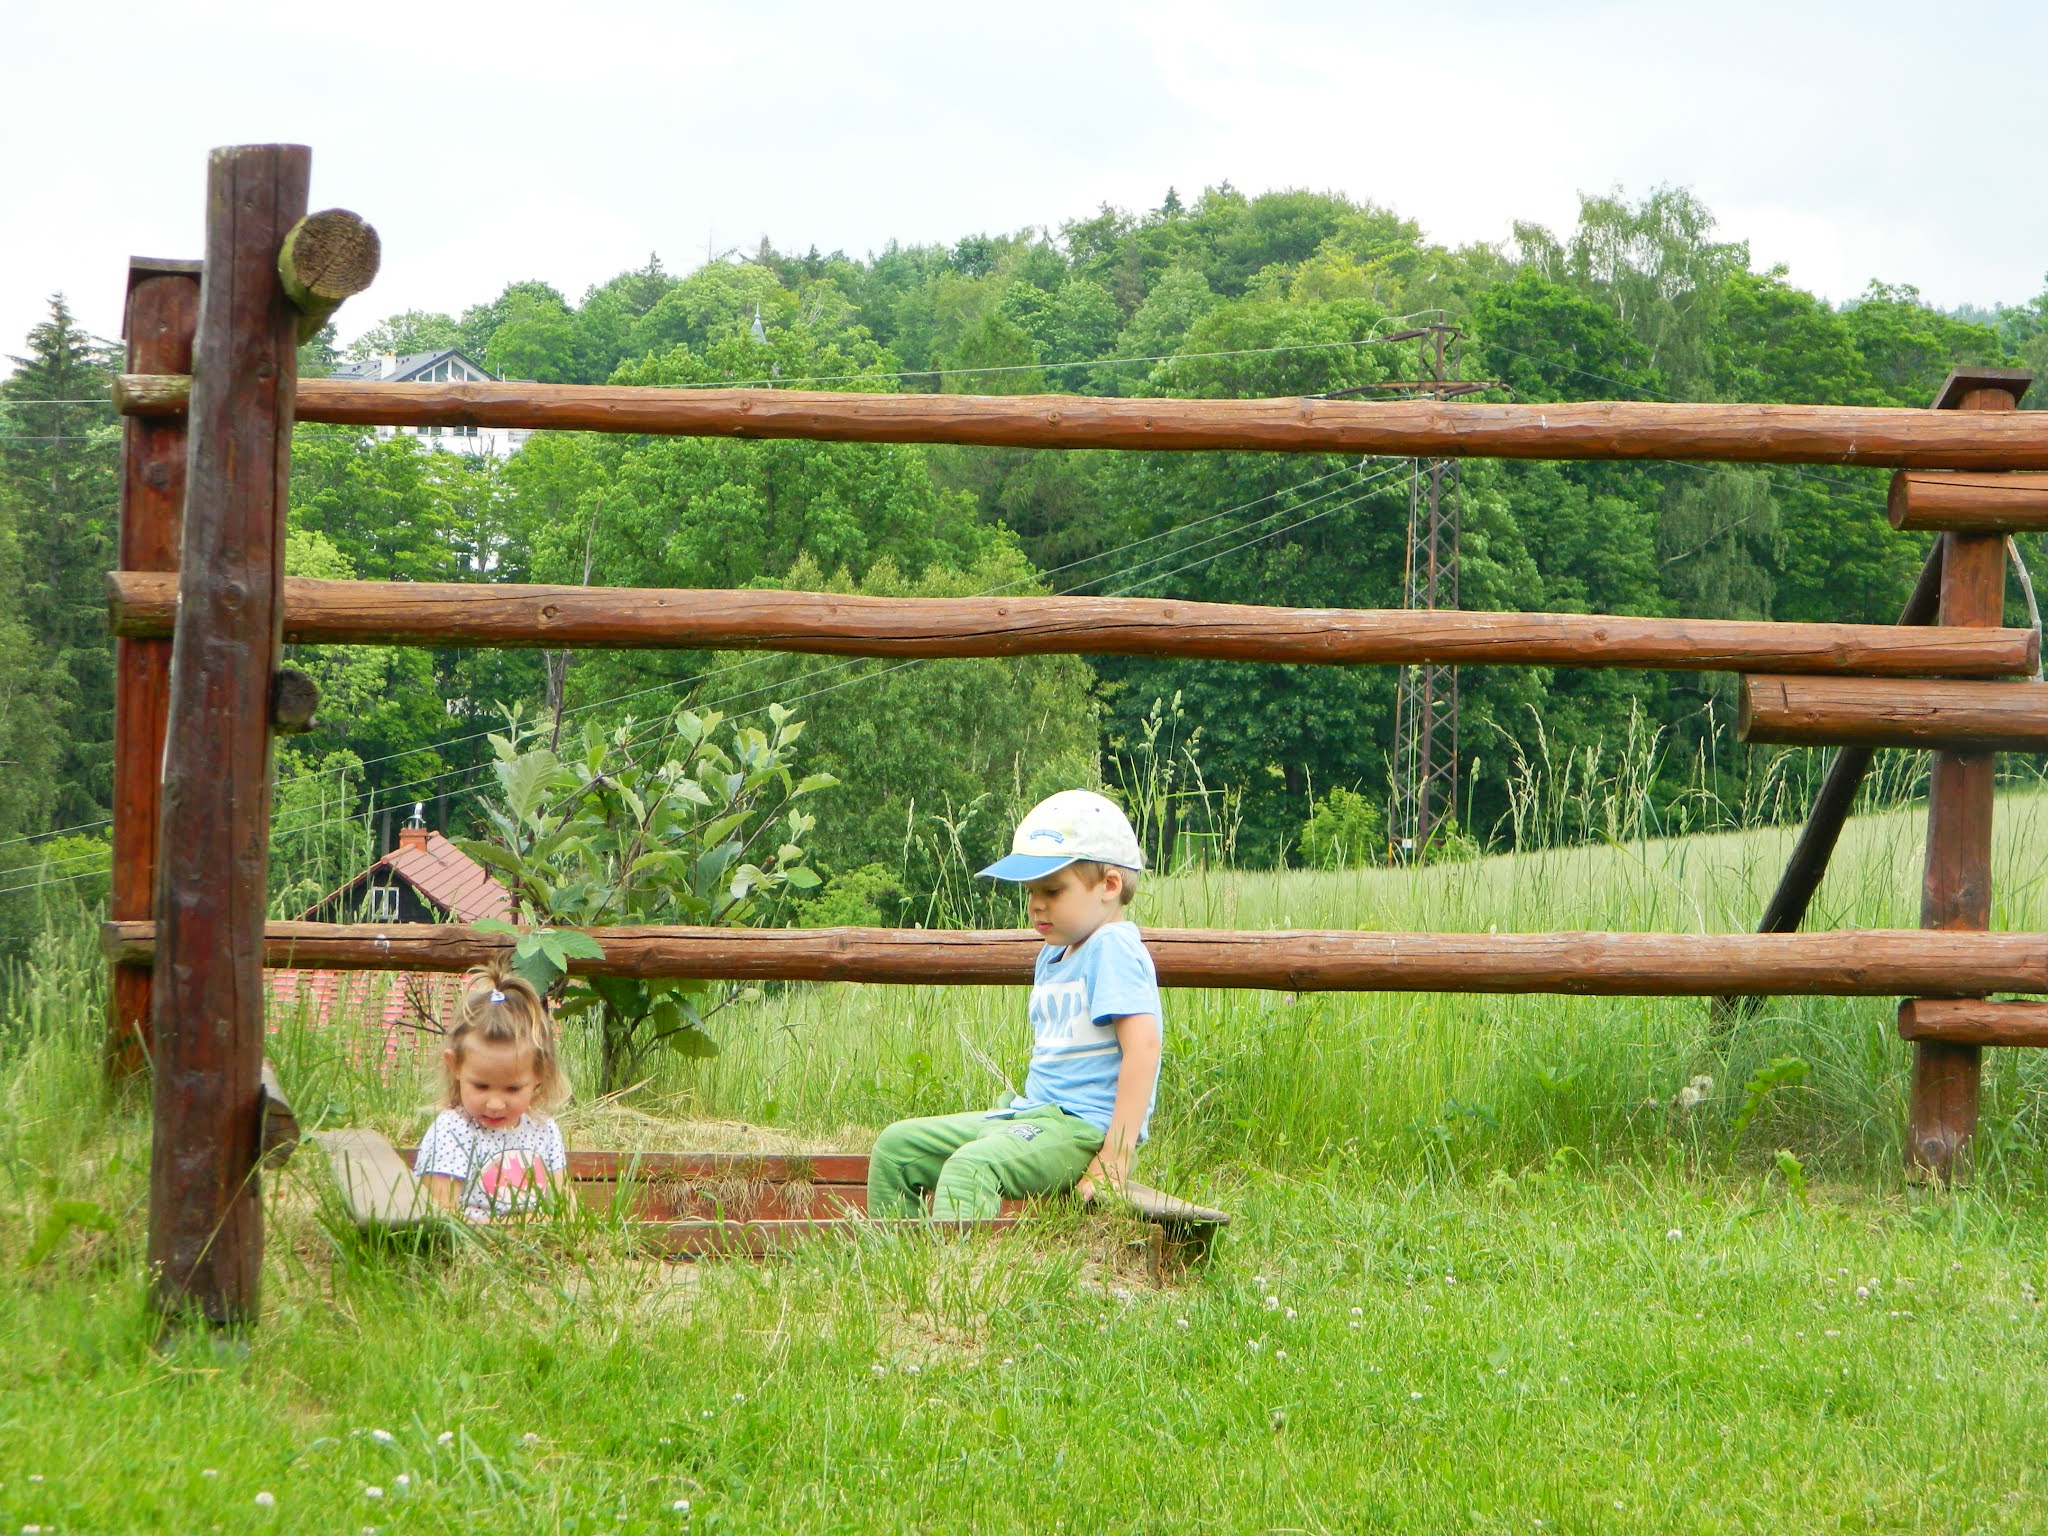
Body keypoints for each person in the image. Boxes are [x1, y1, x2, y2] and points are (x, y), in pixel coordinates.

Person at [867, 789, 1163, 1221]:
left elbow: (1144, 1049)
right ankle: (895, 1266)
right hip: (1032, 1115)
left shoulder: (1113, 948)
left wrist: (1115, 1155)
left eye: (1052, 889)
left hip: (1081, 1129)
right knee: (897, 1148)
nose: (1036, 904)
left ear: (1109, 885)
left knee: (972, 1167)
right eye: (1030, 892)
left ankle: (954, 1280)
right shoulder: (1057, 951)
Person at [413, 962, 570, 1220]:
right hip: (473, 1250)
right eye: (481, 1086)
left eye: (512, 1088)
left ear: (540, 1074)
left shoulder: (544, 1129)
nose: (495, 1103)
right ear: (455, 1066)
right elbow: (440, 1215)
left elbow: (562, 1201)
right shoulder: (453, 1131)